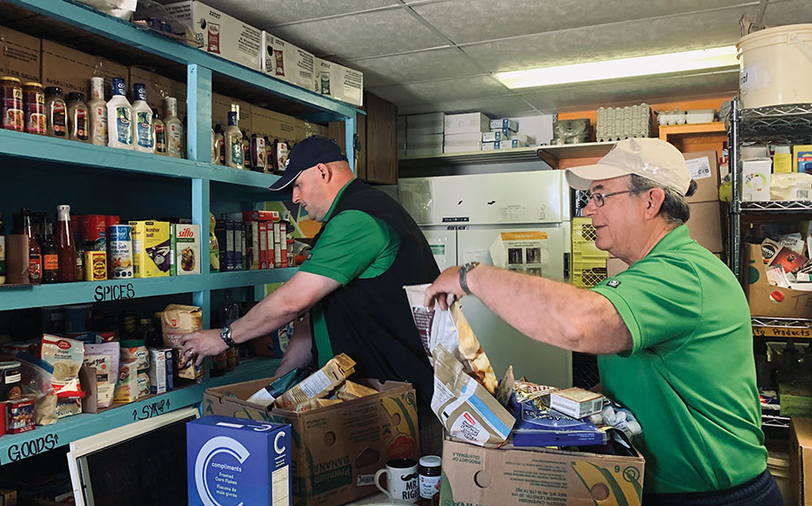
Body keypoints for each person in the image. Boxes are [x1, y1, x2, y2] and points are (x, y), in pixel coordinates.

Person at [424, 138, 780, 505]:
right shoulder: (649, 274)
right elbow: (649, 376)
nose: (589, 211)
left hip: (715, 496)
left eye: (600, 196)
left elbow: (577, 324)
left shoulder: (681, 274)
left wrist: (472, 277)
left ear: (651, 201)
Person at [181, 136, 442, 452]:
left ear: (323, 171)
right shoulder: (344, 220)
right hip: (366, 399)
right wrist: (275, 389)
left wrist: (223, 338)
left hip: (400, 404)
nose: (295, 197)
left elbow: (292, 302)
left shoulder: (359, 219)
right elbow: (309, 321)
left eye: (298, 184)